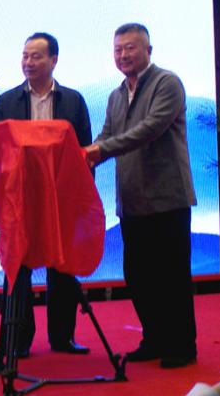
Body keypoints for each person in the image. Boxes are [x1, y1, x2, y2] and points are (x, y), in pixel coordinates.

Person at [84, 22, 198, 369]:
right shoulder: (117, 94)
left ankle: (181, 346)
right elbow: (106, 136)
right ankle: (154, 339)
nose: (123, 55)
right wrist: (82, 158)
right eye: (118, 49)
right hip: (132, 200)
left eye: (130, 48)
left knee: (172, 276)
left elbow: (149, 130)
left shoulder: (167, 83)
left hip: (167, 198)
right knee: (138, 276)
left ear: (148, 50)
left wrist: (98, 150)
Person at [0, 32, 92, 357]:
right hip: (20, 199)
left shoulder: (73, 101)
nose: (28, 62)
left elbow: (85, 152)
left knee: (62, 266)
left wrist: (79, 197)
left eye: (36, 56)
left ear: (53, 60)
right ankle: (18, 339)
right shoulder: (7, 101)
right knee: (18, 266)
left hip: (61, 198)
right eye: (25, 56)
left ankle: (62, 337)